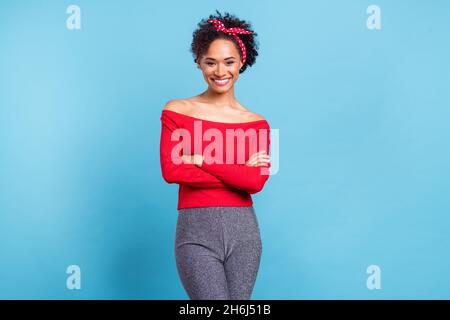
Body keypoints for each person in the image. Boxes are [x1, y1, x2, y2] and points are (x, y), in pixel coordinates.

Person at [159, 10, 271, 300]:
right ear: (199, 61)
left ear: (241, 62)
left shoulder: (256, 123)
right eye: (211, 62)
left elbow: (256, 183)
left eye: (229, 62)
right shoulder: (177, 110)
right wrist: (237, 171)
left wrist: (200, 159)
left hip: (245, 234)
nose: (220, 71)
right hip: (196, 233)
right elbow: (172, 171)